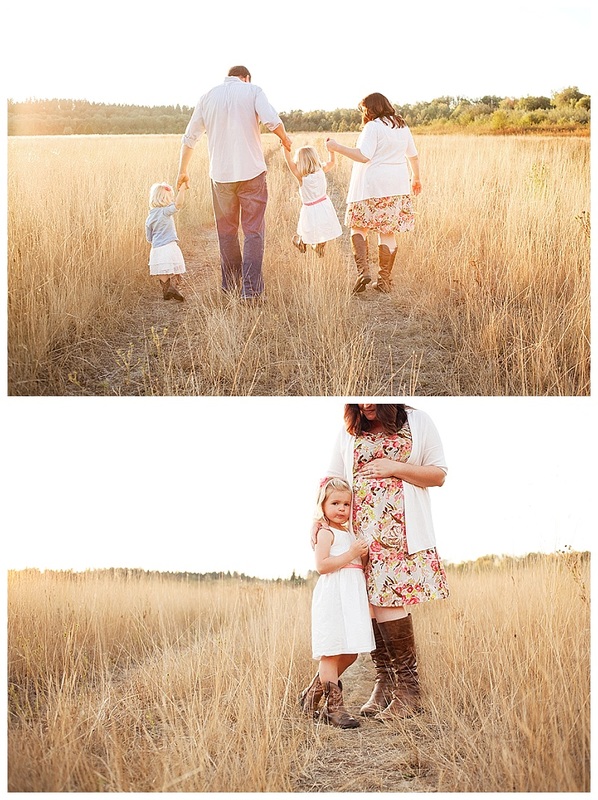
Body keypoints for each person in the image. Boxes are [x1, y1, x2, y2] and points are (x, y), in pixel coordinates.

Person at [326, 403, 449, 722]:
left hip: (401, 532)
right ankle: (385, 681)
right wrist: (320, 521)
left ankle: (409, 691)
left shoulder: (418, 421)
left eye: (373, 398)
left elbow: (438, 475)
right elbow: (333, 480)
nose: (366, 404)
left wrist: (394, 467)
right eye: (359, 398)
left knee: (389, 602)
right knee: (370, 605)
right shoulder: (350, 430)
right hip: (361, 536)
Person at [176, 66, 292, 302]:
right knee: (253, 232)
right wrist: (285, 138)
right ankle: (250, 291)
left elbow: (190, 137)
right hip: (252, 174)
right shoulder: (253, 90)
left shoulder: (207, 97)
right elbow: (271, 120)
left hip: (221, 176)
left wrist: (182, 171)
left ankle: (230, 287)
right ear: (246, 78)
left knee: (227, 233)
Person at [326, 93, 421, 294]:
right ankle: (384, 280)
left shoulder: (373, 126)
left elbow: (363, 156)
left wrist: (336, 147)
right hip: (396, 187)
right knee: (387, 231)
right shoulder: (402, 126)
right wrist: (416, 178)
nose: (363, 114)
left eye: (364, 110)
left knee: (359, 227)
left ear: (371, 109)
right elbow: (413, 155)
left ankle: (363, 273)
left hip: (370, 186)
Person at [299, 477, 374, 729]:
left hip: (351, 597)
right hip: (333, 595)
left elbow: (356, 567)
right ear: (323, 505)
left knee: (351, 651)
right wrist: (352, 553)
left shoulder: (350, 533)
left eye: (346, 504)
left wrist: (360, 556)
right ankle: (334, 709)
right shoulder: (325, 532)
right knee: (331, 651)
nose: (342, 509)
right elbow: (322, 566)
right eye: (335, 503)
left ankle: (312, 694)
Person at [281, 144, 342, 258]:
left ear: (300, 162)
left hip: (309, 209)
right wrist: (331, 151)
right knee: (324, 230)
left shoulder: (301, 176)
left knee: (306, 231)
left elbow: (288, 161)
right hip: (324, 206)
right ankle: (318, 245)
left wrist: (285, 146)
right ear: (315, 158)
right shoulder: (322, 170)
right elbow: (332, 162)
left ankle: (301, 243)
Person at [145, 181, 189, 302]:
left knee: (162, 271)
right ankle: (173, 288)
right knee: (174, 267)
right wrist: (183, 190)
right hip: (169, 246)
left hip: (156, 249)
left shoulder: (149, 217)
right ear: (166, 199)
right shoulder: (165, 211)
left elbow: (149, 238)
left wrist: (155, 241)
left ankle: (166, 290)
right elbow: (178, 204)